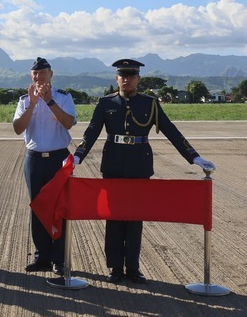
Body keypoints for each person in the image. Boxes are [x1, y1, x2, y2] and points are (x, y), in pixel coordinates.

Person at [73, 59, 215, 284]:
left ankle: (133, 267)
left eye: (131, 76)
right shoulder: (105, 103)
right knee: (114, 216)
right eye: (123, 75)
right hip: (113, 165)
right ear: (116, 78)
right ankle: (115, 267)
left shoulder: (150, 104)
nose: (127, 79)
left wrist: (193, 156)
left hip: (139, 164)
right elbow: (91, 132)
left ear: (138, 79)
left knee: (135, 216)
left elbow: (171, 131)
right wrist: (78, 156)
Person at [12, 57, 76, 276]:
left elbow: (68, 123)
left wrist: (49, 102)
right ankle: (42, 257)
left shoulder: (63, 97)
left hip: (58, 158)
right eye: (35, 74)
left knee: (60, 207)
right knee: (38, 207)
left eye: (43, 73)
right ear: (31, 77)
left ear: (51, 74)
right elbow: (18, 129)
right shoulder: (24, 100)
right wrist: (32, 104)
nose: (39, 77)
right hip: (34, 159)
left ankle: (59, 258)